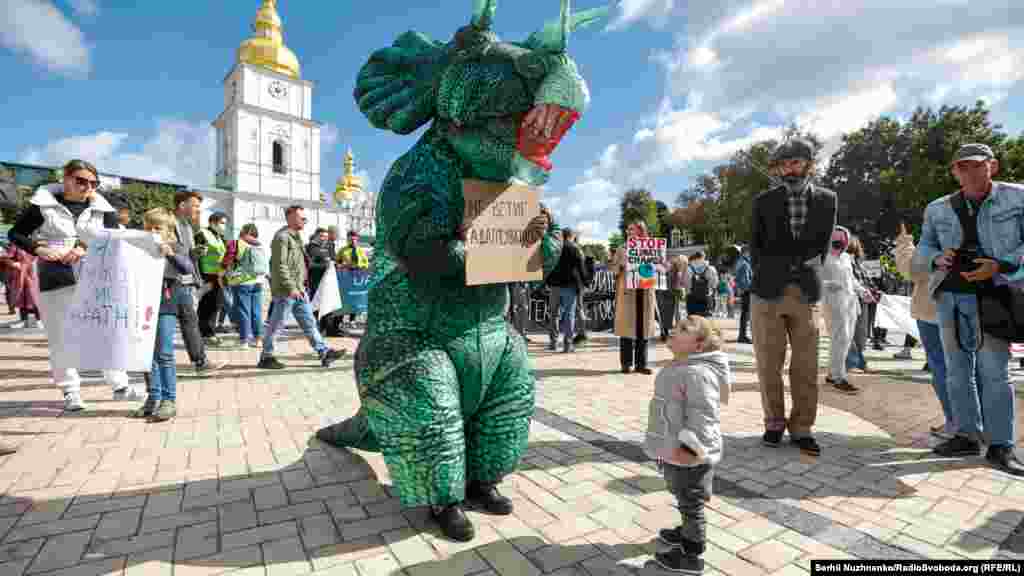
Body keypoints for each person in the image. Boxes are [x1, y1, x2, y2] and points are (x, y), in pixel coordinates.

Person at [917, 143, 1024, 475]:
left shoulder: (1017, 197)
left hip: (994, 294)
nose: (970, 172)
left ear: (991, 165)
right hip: (949, 295)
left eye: (977, 165)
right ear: (954, 171)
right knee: (956, 370)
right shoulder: (937, 207)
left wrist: (1002, 266)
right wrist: (937, 257)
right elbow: (924, 246)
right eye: (962, 167)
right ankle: (966, 434)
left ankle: (1001, 444)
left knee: (994, 370)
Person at [7, 159, 146, 411]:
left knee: (106, 330)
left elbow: (112, 238)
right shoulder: (42, 205)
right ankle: (70, 391)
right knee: (61, 336)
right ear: (65, 178)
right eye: (80, 180)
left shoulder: (104, 209)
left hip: (96, 276)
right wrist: (39, 248)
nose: (87, 187)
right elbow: (16, 234)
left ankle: (120, 386)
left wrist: (83, 247)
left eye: (93, 183)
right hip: (55, 275)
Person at [749, 139, 837, 456]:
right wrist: (773, 269)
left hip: (806, 292)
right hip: (767, 292)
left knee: (806, 365)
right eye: (784, 164)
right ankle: (773, 422)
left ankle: (802, 427)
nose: (789, 168)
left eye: (795, 162)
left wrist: (806, 268)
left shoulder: (828, 199)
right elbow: (754, 246)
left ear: (808, 164)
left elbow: (824, 245)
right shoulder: (763, 201)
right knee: (768, 363)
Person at [644, 316, 731, 575]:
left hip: (691, 453)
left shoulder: (697, 373)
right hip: (677, 448)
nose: (673, 330)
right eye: (677, 326)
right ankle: (687, 529)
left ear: (699, 345)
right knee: (683, 494)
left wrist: (690, 450)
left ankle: (692, 553)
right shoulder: (683, 365)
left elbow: (702, 417)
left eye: (684, 329)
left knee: (691, 501)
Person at [259, 206, 346, 370]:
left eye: (305, 218)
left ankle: (324, 352)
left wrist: (300, 287)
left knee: (309, 323)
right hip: (287, 290)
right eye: (302, 218)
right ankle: (266, 356)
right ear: (290, 217)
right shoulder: (282, 238)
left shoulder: (295, 237)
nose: (304, 221)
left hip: (299, 290)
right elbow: (280, 265)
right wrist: (291, 287)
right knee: (277, 324)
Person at [894, 223, 952, 439]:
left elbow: (909, 270)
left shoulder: (930, 245)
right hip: (964, 311)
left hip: (931, 313)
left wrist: (904, 241)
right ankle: (972, 422)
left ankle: (955, 422)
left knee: (942, 369)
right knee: (967, 370)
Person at [134, 208, 190, 422]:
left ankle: (169, 399)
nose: (152, 231)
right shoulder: (139, 248)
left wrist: (170, 253)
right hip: (142, 305)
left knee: (164, 353)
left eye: (157, 227)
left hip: (165, 305)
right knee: (147, 356)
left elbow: (187, 268)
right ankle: (153, 397)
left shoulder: (175, 246)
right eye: (148, 227)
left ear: (168, 230)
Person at [172, 191, 224, 376]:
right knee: (177, 323)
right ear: (182, 205)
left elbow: (185, 253)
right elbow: (171, 251)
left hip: (185, 280)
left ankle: (200, 362)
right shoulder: (170, 223)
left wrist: (195, 253)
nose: (197, 209)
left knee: (189, 320)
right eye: (194, 205)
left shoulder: (187, 226)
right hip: (171, 281)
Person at [613, 221, 659, 374]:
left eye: (632, 229)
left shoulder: (651, 248)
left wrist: (657, 265)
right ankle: (626, 364)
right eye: (628, 230)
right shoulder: (622, 249)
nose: (629, 232)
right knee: (627, 329)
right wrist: (621, 264)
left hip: (644, 292)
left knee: (643, 329)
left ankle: (641, 364)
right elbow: (614, 270)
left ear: (641, 231)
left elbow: (658, 268)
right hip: (628, 294)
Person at [822, 226, 863, 395]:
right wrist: (827, 285)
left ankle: (833, 374)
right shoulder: (823, 258)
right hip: (833, 304)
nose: (839, 244)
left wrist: (862, 290)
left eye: (842, 240)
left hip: (850, 303)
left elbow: (851, 280)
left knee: (845, 340)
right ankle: (839, 377)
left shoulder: (846, 258)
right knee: (840, 338)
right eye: (836, 241)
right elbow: (812, 279)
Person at [224, 223, 268, 348]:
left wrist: (225, 273)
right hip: (258, 281)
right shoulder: (260, 245)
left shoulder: (238, 243)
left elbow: (228, 260)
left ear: (244, 232)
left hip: (242, 282)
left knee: (243, 311)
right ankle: (258, 339)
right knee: (257, 311)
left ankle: (244, 340)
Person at [547, 228, 587, 353]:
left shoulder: (555, 248)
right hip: (570, 286)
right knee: (569, 314)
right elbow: (581, 268)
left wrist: (547, 282)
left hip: (554, 286)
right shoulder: (575, 249)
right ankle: (567, 345)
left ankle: (553, 342)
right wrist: (586, 282)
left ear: (562, 236)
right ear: (571, 236)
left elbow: (547, 266)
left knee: (553, 314)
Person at [195, 212, 228, 346]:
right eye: (222, 223)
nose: (224, 226)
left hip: (218, 275)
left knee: (216, 304)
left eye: (225, 224)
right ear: (212, 222)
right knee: (206, 305)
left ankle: (210, 331)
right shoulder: (202, 234)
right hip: (206, 274)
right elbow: (196, 254)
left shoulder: (219, 237)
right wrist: (198, 277)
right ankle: (205, 333)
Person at [845, 235, 875, 373]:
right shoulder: (846, 262)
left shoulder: (859, 264)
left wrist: (870, 291)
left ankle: (860, 362)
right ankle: (852, 363)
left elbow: (864, 282)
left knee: (860, 334)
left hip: (862, 301)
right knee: (851, 333)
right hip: (851, 301)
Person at [336, 229, 369, 327]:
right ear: (348, 239)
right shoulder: (342, 250)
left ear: (357, 239)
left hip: (357, 277)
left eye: (355, 239)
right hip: (345, 277)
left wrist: (362, 265)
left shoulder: (361, 250)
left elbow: (366, 262)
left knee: (355, 299)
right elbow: (337, 262)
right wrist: (343, 265)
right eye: (351, 239)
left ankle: (352, 320)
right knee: (344, 298)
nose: (353, 241)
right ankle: (340, 320)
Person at [3, 244, 41, 329]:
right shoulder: (16, 245)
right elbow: (8, 259)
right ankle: (23, 321)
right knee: (21, 298)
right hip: (20, 274)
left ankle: (39, 320)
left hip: (32, 273)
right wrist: (14, 264)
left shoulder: (35, 242)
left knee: (33, 297)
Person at [657, 255, 686, 341]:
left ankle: (665, 333)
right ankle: (669, 333)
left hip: (665, 294)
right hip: (671, 295)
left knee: (665, 315)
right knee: (672, 315)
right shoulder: (677, 271)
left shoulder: (668, 270)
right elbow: (679, 285)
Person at [685, 251, 718, 318]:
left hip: (692, 299)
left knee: (692, 321)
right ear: (703, 257)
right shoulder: (710, 268)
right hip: (706, 298)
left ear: (695, 257)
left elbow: (686, 284)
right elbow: (715, 283)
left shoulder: (688, 268)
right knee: (705, 321)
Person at [734, 246, 753, 343]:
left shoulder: (739, 262)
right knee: (746, 314)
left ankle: (742, 335)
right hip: (747, 291)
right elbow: (746, 280)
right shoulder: (745, 264)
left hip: (743, 291)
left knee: (744, 314)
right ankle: (743, 336)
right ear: (746, 252)